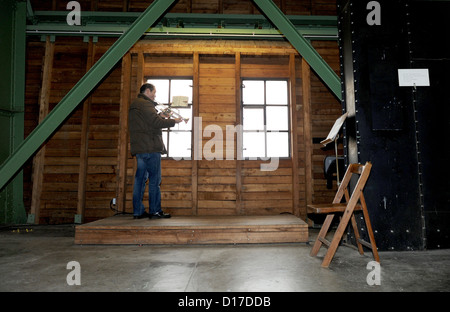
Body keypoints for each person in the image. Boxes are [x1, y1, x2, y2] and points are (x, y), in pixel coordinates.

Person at [128, 83, 182, 219]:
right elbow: (156, 124)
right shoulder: (146, 104)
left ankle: (138, 211)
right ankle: (155, 211)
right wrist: (174, 121)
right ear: (147, 91)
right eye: (154, 92)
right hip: (150, 148)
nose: (155, 95)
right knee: (154, 180)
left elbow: (149, 123)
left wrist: (161, 116)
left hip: (140, 149)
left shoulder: (135, 104)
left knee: (140, 180)